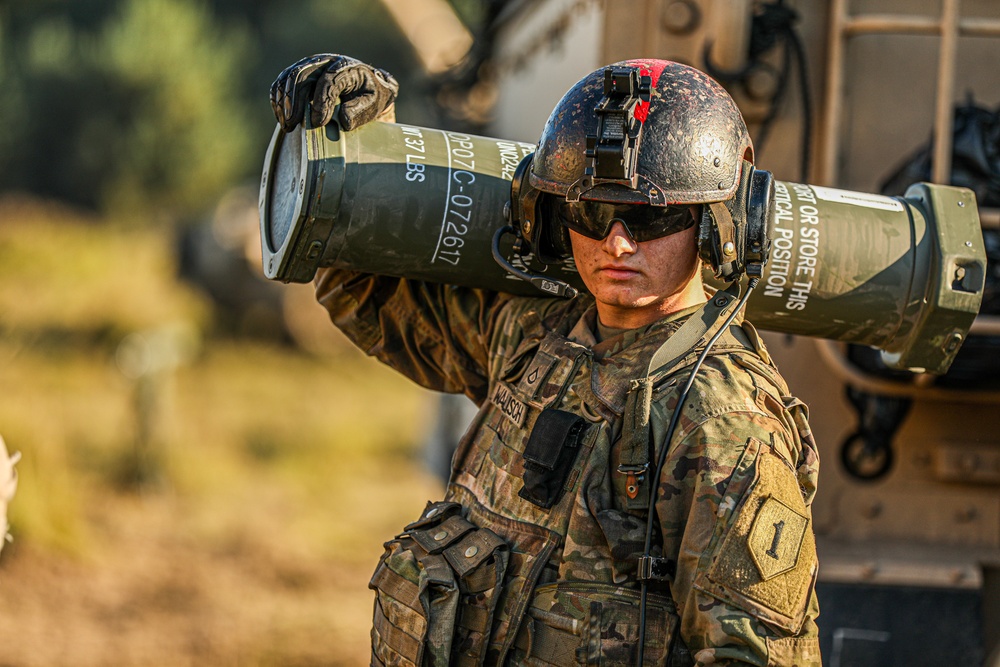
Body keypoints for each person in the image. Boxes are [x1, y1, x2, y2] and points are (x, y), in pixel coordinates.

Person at [270, 54, 821, 666]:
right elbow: (367, 295)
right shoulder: (537, 336)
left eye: (651, 216)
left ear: (717, 224)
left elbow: (755, 656)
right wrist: (361, 137)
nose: (617, 242)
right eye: (592, 211)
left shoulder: (722, 419)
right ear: (556, 217)